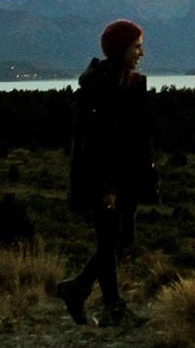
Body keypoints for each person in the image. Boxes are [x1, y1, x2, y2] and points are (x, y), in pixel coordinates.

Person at [55, 19, 157, 326]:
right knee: (109, 239)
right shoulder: (96, 89)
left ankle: (78, 288)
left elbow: (137, 136)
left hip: (129, 177)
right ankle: (112, 308)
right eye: (136, 46)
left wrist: (146, 172)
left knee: (119, 239)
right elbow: (95, 142)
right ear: (120, 49)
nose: (141, 52)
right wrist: (106, 185)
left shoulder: (133, 84)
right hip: (104, 179)